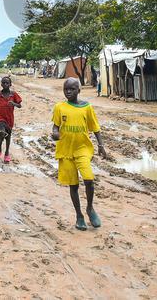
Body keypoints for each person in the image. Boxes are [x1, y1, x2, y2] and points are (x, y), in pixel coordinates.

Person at [51, 78, 110, 231]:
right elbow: (55, 127)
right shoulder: (59, 107)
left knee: (89, 179)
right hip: (66, 150)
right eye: (66, 89)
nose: (68, 92)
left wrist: (101, 145)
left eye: (71, 89)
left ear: (79, 90)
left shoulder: (87, 107)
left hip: (82, 148)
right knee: (74, 185)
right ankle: (79, 215)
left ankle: (90, 208)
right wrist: (55, 134)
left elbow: (95, 127)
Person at [0, 75, 22, 162]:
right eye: (3, 83)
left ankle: (6, 153)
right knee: (1, 132)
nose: (5, 84)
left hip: (9, 118)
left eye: (7, 83)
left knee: (8, 136)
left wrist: (14, 104)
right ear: (1, 84)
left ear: (10, 84)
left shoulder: (13, 94)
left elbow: (20, 105)